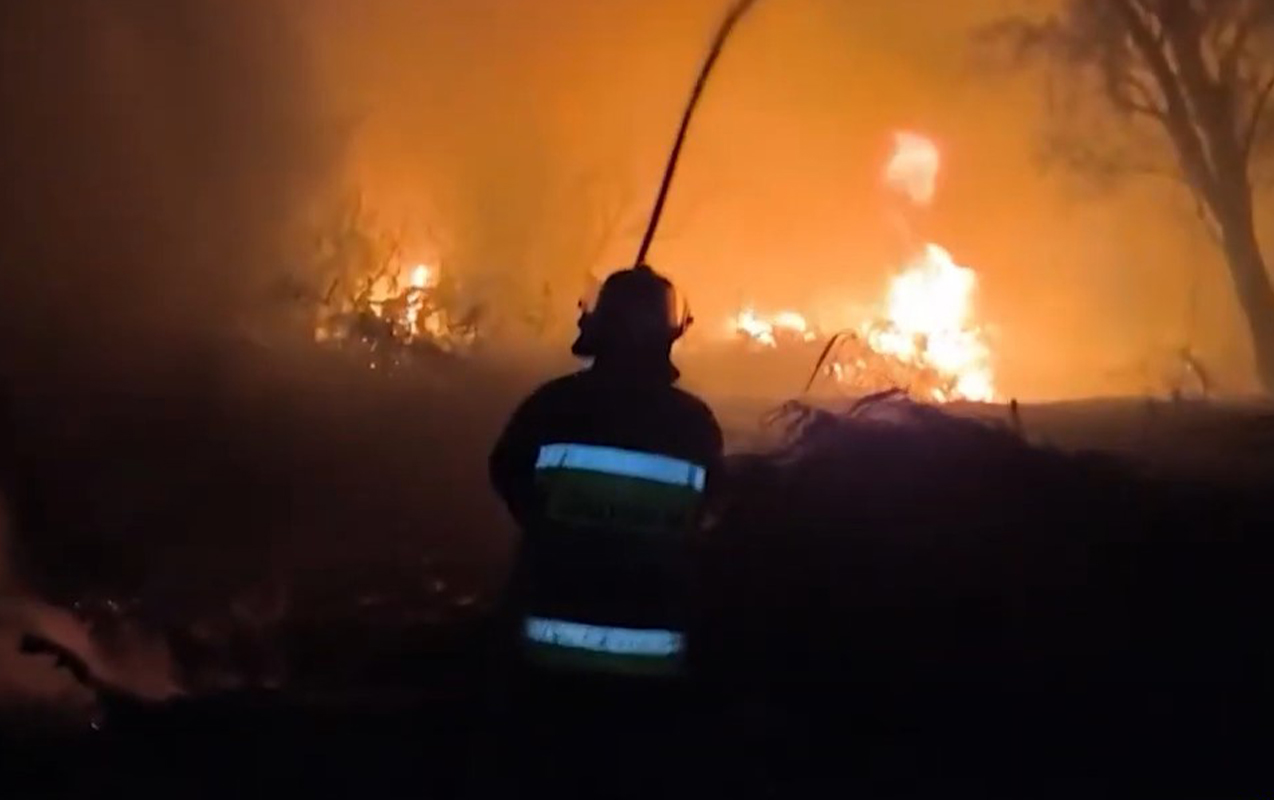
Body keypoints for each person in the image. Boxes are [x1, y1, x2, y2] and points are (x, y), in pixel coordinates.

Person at [484, 263, 723, 797]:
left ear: (598, 328)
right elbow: (710, 510)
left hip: (546, 657)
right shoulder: (694, 424)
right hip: (652, 664)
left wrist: (562, 533)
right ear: (671, 335)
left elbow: (508, 477)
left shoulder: (553, 406)